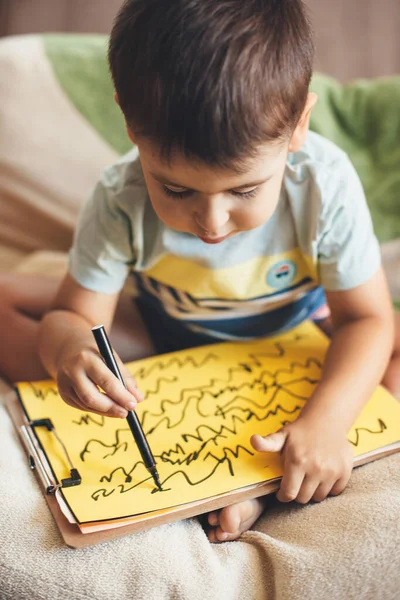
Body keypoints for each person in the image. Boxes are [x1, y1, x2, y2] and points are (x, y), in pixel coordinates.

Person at [0, 0, 399, 543]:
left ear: (298, 125)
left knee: (386, 357)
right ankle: (252, 482)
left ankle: (261, 482)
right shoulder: (119, 197)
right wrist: (70, 351)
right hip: (168, 328)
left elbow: (368, 320)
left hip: (299, 333)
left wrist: (327, 423)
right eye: (176, 189)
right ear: (129, 122)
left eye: (245, 190)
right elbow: (74, 315)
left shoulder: (324, 185)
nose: (211, 223)